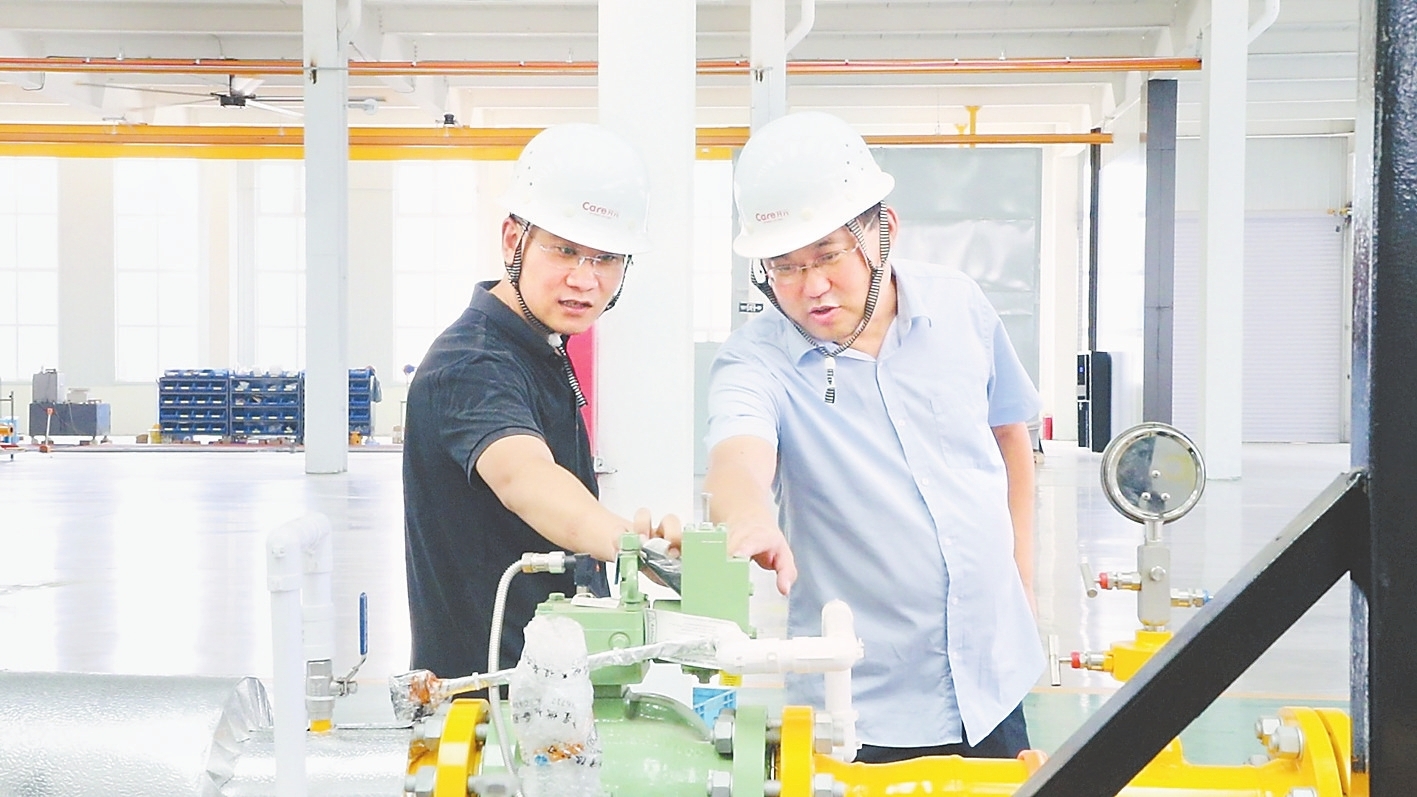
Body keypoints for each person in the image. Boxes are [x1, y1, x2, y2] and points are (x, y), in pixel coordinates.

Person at [704, 111, 1043, 763]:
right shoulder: (756, 361)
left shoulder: (959, 305)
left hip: (993, 682)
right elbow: (737, 460)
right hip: (861, 709)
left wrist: (1021, 579)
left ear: (883, 230)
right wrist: (746, 517)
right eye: (784, 267)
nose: (812, 287)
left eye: (828, 254)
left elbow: (1008, 432)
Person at [404, 123, 677, 679]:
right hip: (488, 699)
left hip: (547, 687)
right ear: (513, 241)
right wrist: (635, 548)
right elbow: (525, 477)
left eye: (607, 258)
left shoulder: (540, 346)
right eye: (565, 250)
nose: (585, 280)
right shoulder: (470, 363)